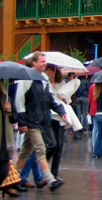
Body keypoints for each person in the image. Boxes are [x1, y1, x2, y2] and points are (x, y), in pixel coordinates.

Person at [13, 53, 67, 192]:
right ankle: (50, 179)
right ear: (34, 63)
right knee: (41, 149)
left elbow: (50, 98)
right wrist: (22, 121)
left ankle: (13, 178)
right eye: (42, 61)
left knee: (26, 151)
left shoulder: (43, 79)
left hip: (40, 120)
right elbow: (19, 100)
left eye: (45, 61)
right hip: (32, 121)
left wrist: (60, 110)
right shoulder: (27, 78)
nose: (44, 64)